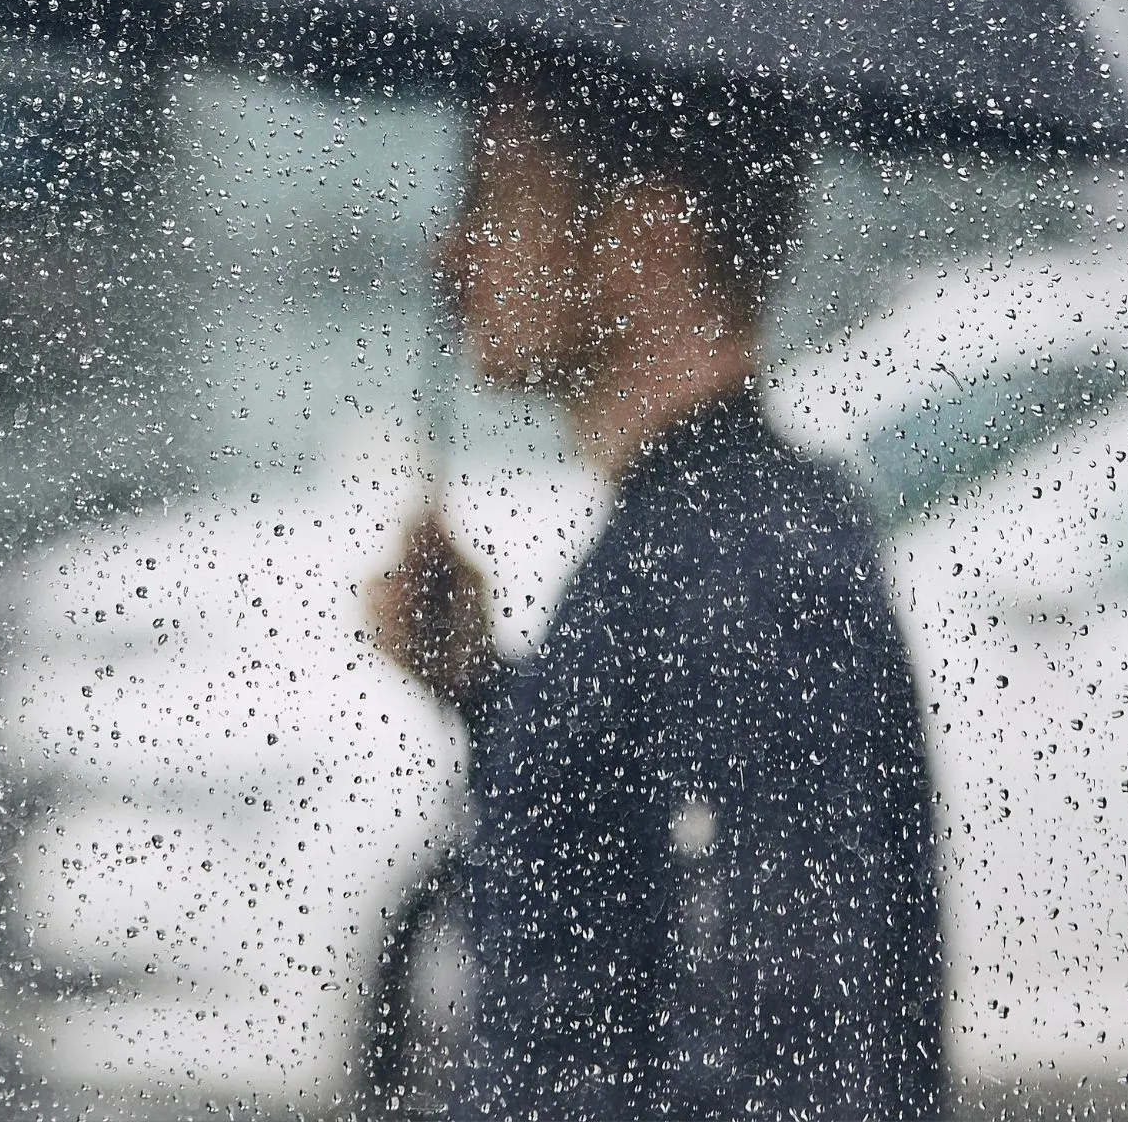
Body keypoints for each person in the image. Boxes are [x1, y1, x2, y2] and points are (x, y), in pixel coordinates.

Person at [372, 64, 945, 1121]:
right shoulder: (689, 540)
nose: (446, 256)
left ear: (646, 237)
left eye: (496, 199)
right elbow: (612, 896)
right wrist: (480, 686)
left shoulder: (745, 569)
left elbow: (795, 1040)